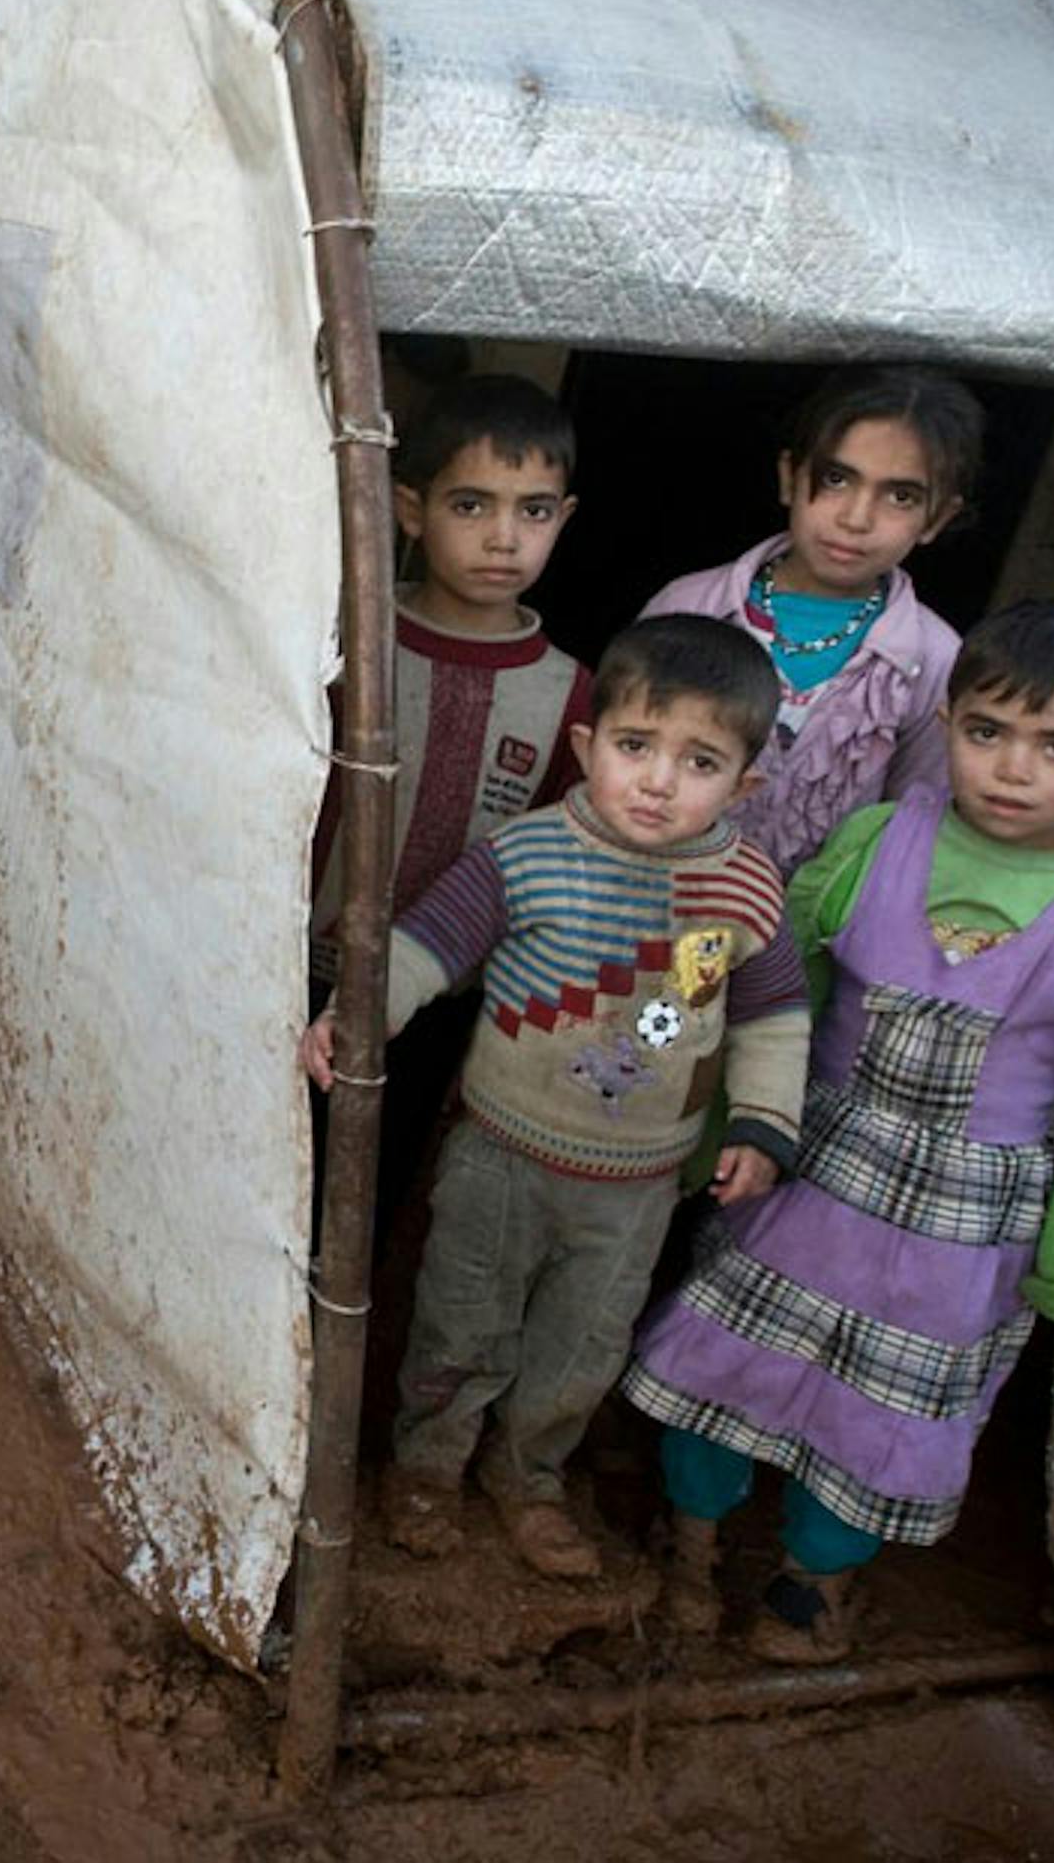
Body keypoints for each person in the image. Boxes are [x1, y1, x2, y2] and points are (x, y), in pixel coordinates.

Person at [622, 602, 1054, 1664]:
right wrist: (721, 1134)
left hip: (961, 1233)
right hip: (811, 1174)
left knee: (883, 1414)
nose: (1015, 769)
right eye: (986, 733)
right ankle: (687, 1546)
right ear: (948, 719)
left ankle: (809, 1586)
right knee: (725, 1359)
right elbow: (784, 999)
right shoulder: (879, 842)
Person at [302, 617, 811, 1578]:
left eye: (698, 760)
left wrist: (762, 1125)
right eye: (634, 746)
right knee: (462, 1316)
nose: (658, 780)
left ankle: (530, 1478)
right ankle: (426, 1465)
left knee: (582, 1345)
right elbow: (427, 943)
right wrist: (357, 1014)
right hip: (500, 1151)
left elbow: (775, 1017)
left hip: (638, 1185)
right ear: (587, 745)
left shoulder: (745, 892)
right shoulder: (529, 853)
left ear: (745, 784)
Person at [304, 373, 592, 1215]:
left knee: (364, 1193)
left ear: (562, 520)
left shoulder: (573, 695)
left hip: (439, 1005)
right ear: (408, 509)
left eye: (533, 511)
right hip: (291, 961)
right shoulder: (340, 641)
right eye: (471, 505)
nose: (504, 537)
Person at [642, 367, 986, 872]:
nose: (856, 518)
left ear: (937, 518)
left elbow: (914, 832)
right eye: (836, 479)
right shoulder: (690, 606)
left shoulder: (933, 660)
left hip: (812, 939)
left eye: (900, 497)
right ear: (789, 477)